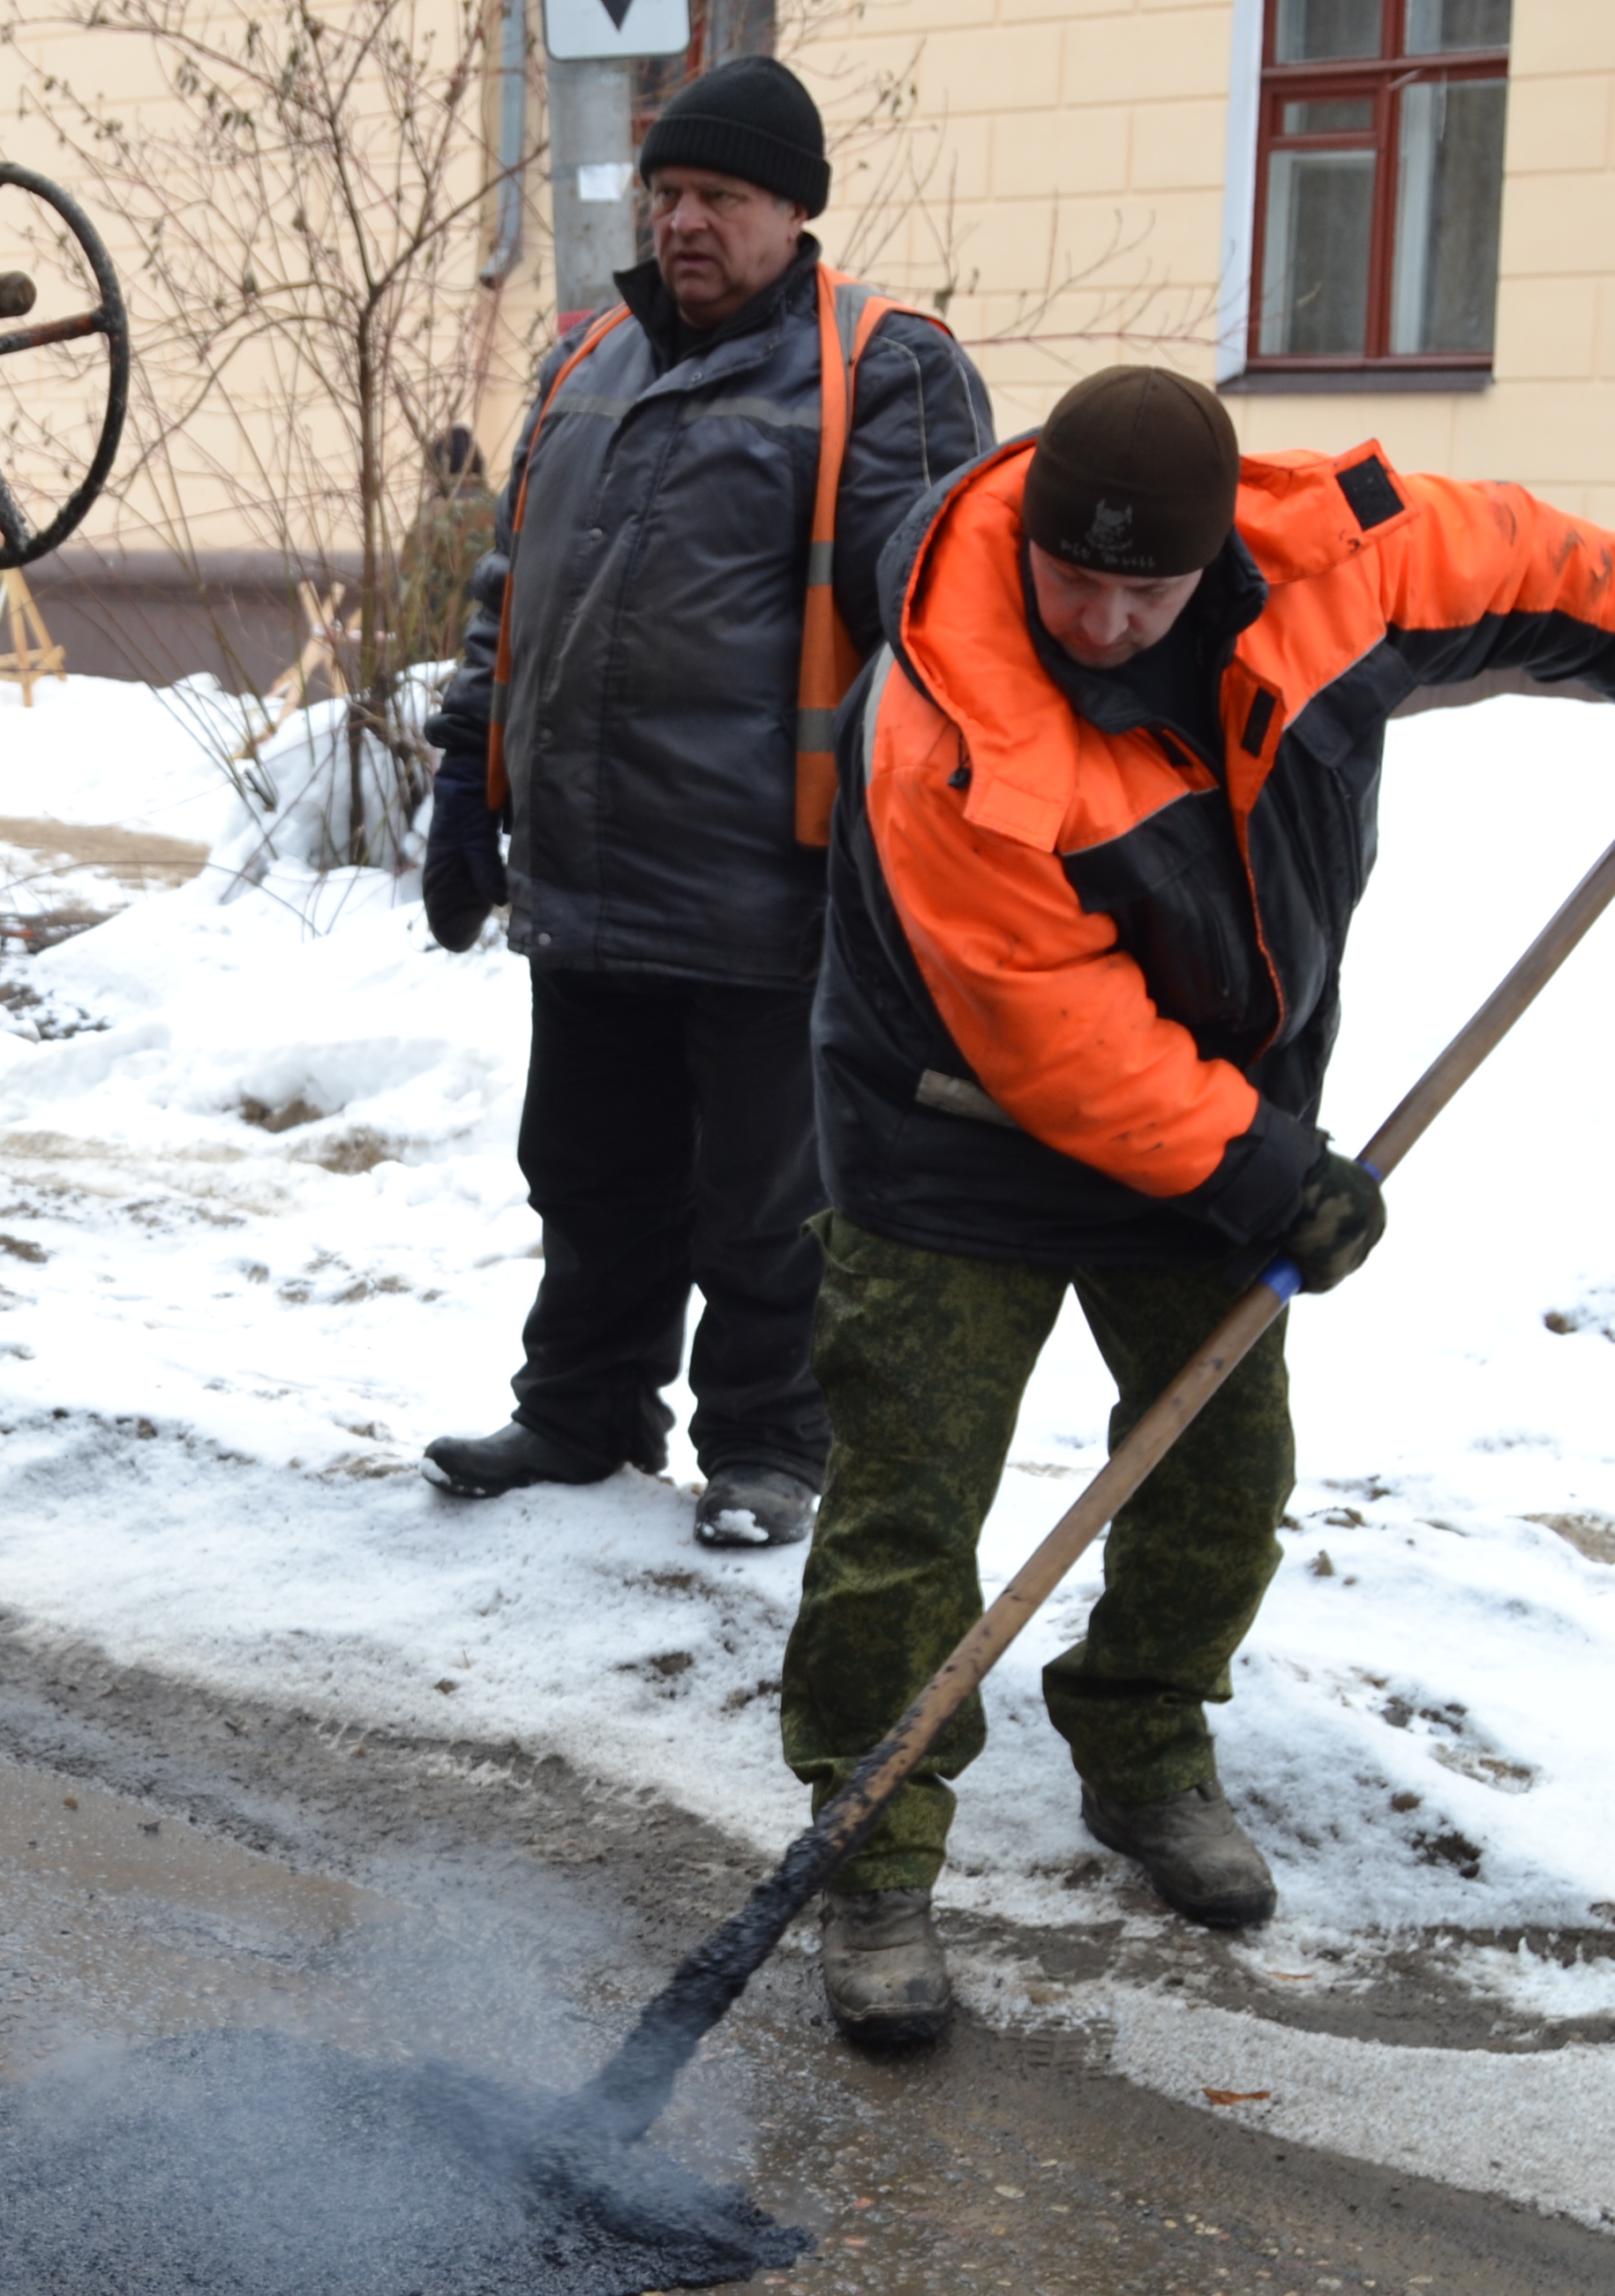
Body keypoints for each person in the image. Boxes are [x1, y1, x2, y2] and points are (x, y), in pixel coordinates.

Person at [781, 365, 1615, 2045]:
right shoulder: (954, 712)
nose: (1103, 618)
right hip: (953, 1131)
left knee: (1223, 1470)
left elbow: (1536, 566)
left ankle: (1142, 1741)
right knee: (910, 1504)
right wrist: (1266, 1171)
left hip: (1212, 1107)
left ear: (1216, 563)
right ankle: (874, 1851)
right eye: (1072, 579)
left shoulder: (1331, 564)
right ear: (1025, 539)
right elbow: (1054, 1032)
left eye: (1146, 589)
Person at [418, 56, 993, 1549]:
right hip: (590, 871)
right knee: (587, 1168)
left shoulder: (886, 368)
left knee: (764, 1198)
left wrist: (926, 864)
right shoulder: (590, 358)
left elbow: (944, 631)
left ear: (792, 210)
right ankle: (583, 1407)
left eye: (717, 197)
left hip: (774, 878)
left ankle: (767, 1446)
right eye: (667, 193)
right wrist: (463, 786)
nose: (682, 220)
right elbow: (509, 591)